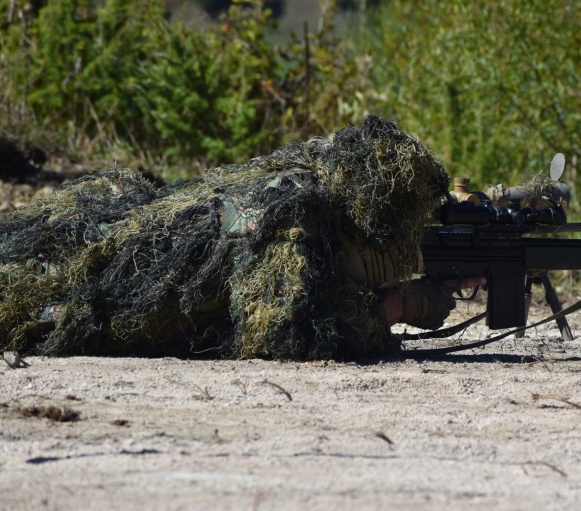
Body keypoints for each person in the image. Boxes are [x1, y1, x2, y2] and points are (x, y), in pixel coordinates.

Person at [0, 116, 481, 360]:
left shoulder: (311, 186)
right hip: (99, 304)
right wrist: (404, 305)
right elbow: (287, 331)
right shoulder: (295, 219)